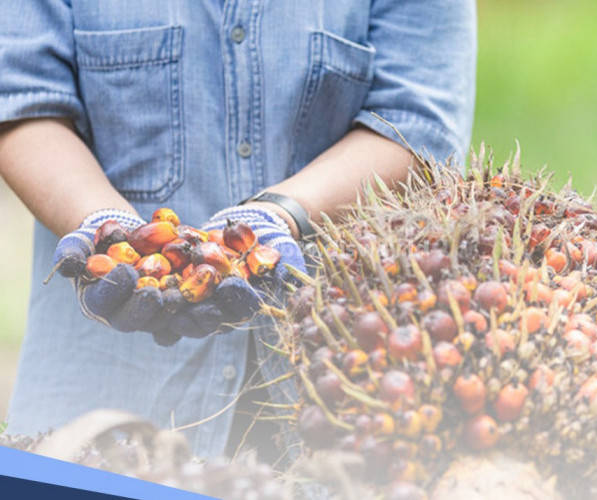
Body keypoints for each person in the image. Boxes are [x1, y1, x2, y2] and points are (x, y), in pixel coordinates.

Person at [0, 1, 477, 461]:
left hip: (335, 390)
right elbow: (20, 99)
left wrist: (284, 213)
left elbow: (418, 123)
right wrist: (104, 227)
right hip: (105, 397)